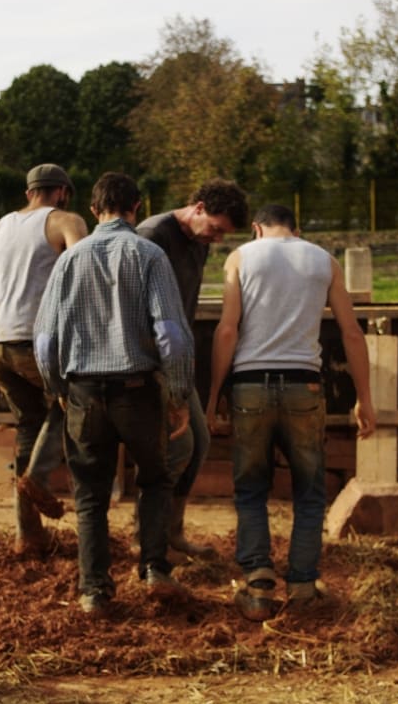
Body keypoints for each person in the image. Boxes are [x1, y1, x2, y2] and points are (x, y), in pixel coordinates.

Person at [34, 171, 195, 615]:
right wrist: (179, 395)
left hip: (85, 391)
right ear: (136, 207)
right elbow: (172, 336)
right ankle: (154, 569)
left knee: (90, 496)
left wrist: (59, 389)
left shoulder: (68, 261)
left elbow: (45, 341)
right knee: (157, 479)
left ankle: (94, 592)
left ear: (93, 210)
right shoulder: (149, 255)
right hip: (138, 391)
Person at [205, 204, 375, 620]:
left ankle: (259, 582)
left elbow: (227, 329)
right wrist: (364, 398)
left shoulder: (242, 257)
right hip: (305, 385)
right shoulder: (323, 260)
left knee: (250, 488)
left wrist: (212, 397)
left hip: (250, 386)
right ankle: (301, 585)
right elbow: (352, 332)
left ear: (256, 229)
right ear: (295, 229)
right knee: (310, 491)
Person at [0, 164, 88, 554]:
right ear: (63, 191)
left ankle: (28, 535)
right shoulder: (66, 221)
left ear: (28, 191)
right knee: (77, 403)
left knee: (28, 428)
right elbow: (87, 276)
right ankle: (37, 478)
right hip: (36, 342)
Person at [136, 179, 248, 557]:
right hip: (150, 359)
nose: (217, 239)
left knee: (198, 444)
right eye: (216, 228)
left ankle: (172, 534)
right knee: (176, 446)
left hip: (177, 361)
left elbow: (185, 303)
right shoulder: (153, 235)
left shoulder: (199, 243)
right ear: (198, 207)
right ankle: (149, 539)